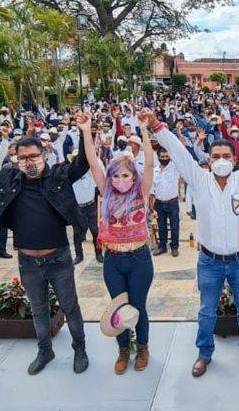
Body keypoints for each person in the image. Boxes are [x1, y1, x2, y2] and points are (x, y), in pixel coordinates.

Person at [146, 108, 239, 378]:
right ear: (208, 160)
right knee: (206, 311)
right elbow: (179, 153)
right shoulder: (198, 179)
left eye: (226, 156)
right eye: (215, 156)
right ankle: (204, 354)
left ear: (235, 158)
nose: (220, 160)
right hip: (209, 261)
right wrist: (157, 125)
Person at [0, 119, 91, 376]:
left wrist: (84, 132)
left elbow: (82, 164)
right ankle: (45, 350)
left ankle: (80, 349)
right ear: (16, 159)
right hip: (28, 261)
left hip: (58, 258)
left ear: (44, 155)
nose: (29, 162)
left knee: (70, 306)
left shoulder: (58, 175)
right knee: (38, 308)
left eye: (34, 156)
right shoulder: (8, 178)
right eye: (23, 158)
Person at [78, 111, 155, 375]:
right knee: (119, 308)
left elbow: (149, 165)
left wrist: (145, 131)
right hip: (113, 260)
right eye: (116, 176)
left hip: (139, 259)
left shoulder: (141, 192)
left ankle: (143, 347)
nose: (120, 180)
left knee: (139, 307)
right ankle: (123, 350)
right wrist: (86, 131)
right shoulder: (106, 192)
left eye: (125, 176)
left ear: (133, 177)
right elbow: (93, 162)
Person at [151, 147, 182, 257]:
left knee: (174, 226)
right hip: (159, 203)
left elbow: (179, 155)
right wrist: (152, 207)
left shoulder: (175, 168)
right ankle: (162, 246)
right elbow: (152, 189)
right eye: (162, 156)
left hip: (172, 203)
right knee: (161, 226)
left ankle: (174, 247)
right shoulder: (155, 171)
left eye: (166, 156)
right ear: (158, 157)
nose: (164, 158)